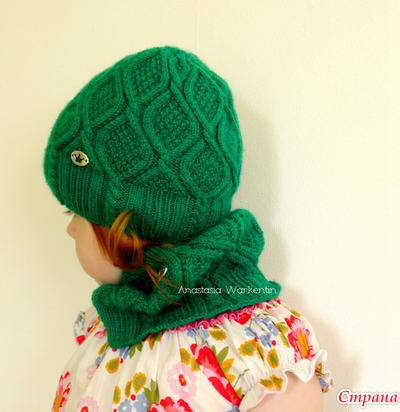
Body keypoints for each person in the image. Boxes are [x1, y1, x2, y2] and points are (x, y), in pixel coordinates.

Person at [44, 46, 332, 412]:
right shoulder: (109, 326)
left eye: (76, 213)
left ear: (134, 229)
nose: (71, 230)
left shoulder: (254, 354)